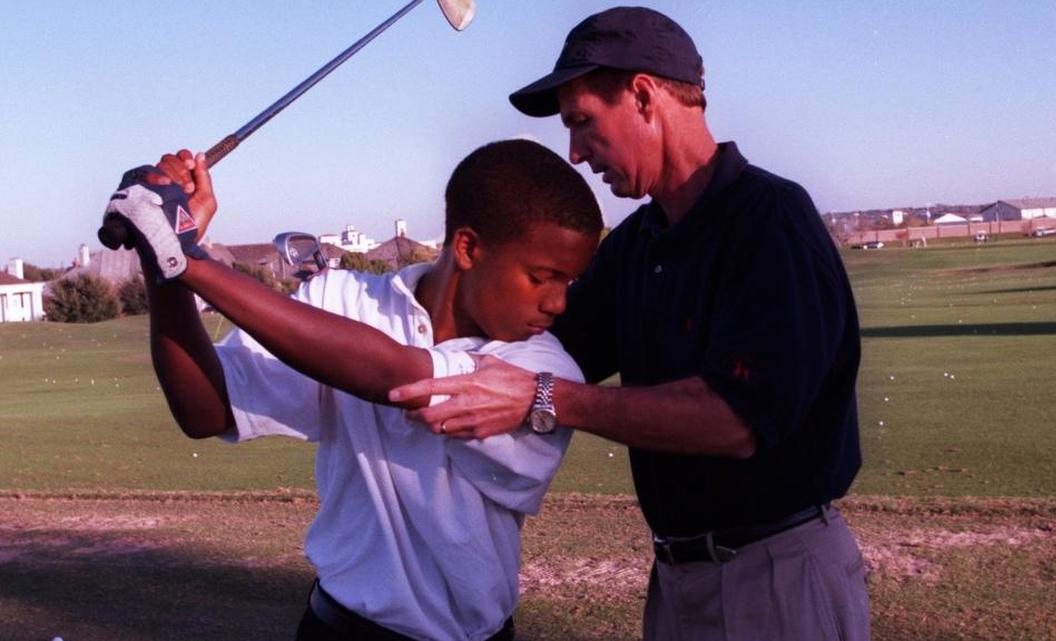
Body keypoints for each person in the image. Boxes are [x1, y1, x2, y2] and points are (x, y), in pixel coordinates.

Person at [389, 7, 871, 640]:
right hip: (677, 578)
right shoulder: (639, 244)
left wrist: (545, 399)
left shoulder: (769, 220)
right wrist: (402, 305)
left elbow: (735, 420)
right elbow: (537, 342)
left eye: (583, 123)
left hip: (776, 577)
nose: (575, 153)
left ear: (644, 96)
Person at [106, 139, 603, 640]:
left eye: (570, 282)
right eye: (542, 278)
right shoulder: (338, 298)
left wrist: (189, 259)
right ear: (469, 248)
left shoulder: (543, 370)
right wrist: (161, 255)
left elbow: (397, 376)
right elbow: (206, 413)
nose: (558, 303)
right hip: (334, 627)